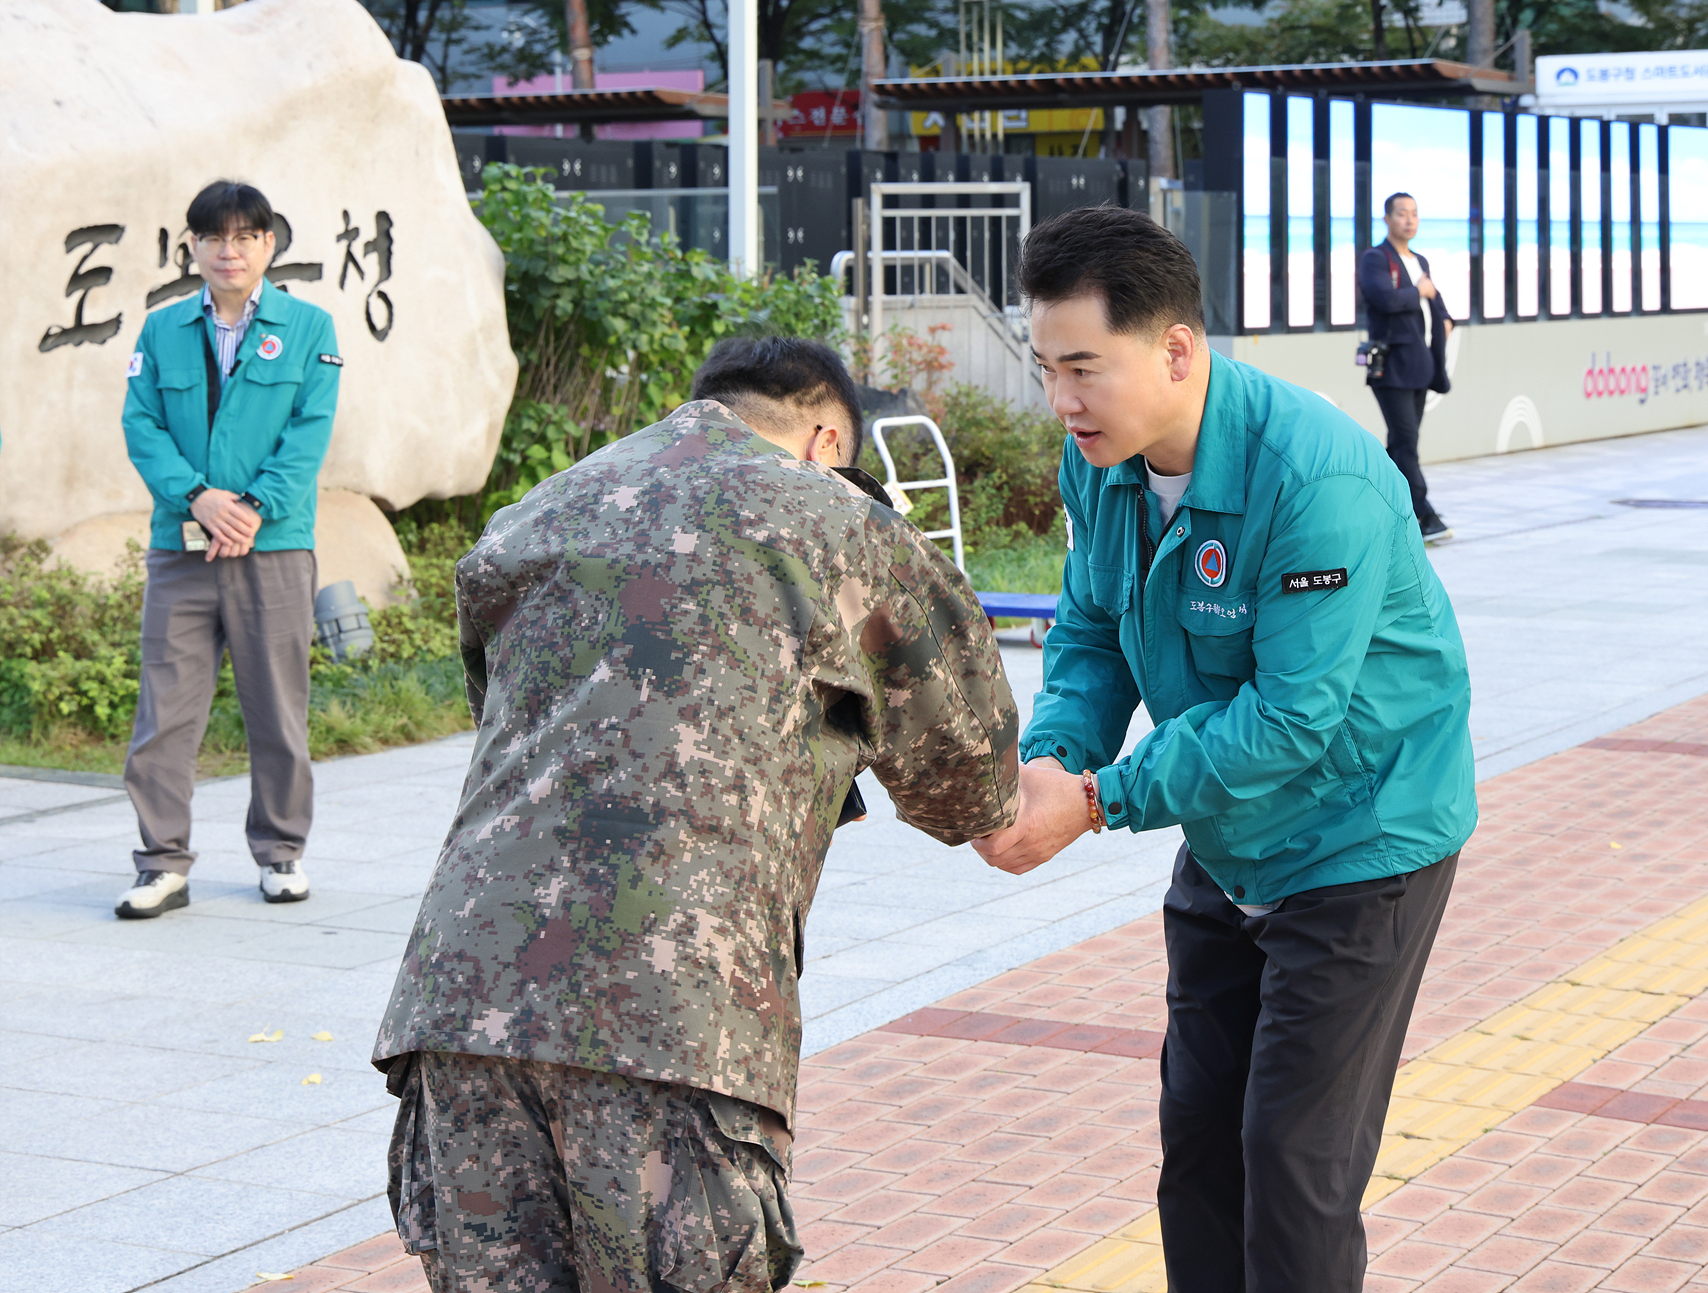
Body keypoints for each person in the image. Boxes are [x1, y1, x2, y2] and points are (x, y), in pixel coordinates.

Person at [372, 336, 1020, 1292]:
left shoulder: (536, 513)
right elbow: (969, 782)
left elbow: (501, 713)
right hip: (672, 1028)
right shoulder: (837, 522)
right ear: (825, 436)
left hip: (460, 1008)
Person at [971, 206, 1476, 1293]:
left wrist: (1101, 800)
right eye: (1044, 368)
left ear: (1175, 349)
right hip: (1230, 827)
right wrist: (1055, 759)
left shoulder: (1314, 476)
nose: (1060, 402)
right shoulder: (1098, 466)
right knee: (1197, 1140)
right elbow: (1093, 628)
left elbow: (1293, 718)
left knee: (1291, 1163)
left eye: (1082, 369)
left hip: (1359, 835)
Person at [114, 179, 341, 920]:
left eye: (245, 236)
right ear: (193, 247)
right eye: (214, 237)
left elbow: (308, 433)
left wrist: (248, 508)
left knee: (277, 709)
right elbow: (141, 424)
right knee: (164, 715)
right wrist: (199, 499)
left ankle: (281, 853)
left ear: (269, 244)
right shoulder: (161, 329)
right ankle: (161, 864)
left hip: (271, 548)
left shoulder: (309, 328)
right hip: (179, 550)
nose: (229, 250)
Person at [1360, 191, 1454, 545]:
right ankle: (1423, 514)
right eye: (1402, 213)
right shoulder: (1375, 258)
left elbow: (1437, 302)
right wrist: (1419, 292)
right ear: (1387, 218)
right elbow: (1384, 298)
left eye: (1414, 214)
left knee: (1402, 445)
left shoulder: (1420, 260)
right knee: (1406, 443)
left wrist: (1447, 322)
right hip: (1393, 367)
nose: (1409, 220)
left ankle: (1381, 505)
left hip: (1420, 367)